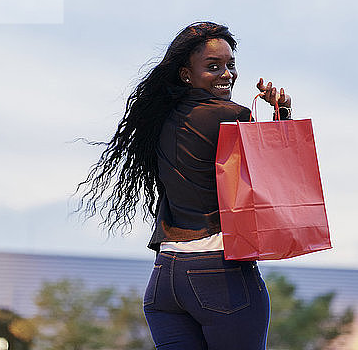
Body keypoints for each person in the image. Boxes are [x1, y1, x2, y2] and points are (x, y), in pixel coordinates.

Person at [77, 22, 293, 349]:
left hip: (165, 280)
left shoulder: (157, 120)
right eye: (213, 66)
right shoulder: (230, 115)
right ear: (186, 74)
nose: (227, 74)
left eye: (230, 65)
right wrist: (283, 116)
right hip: (221, 276)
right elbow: (275, 179)